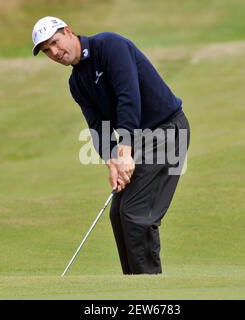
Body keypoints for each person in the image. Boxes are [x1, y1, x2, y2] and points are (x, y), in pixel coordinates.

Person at [31, 16, 190, 274]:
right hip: (140, 140)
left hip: (166, 131)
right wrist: (112, 162)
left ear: (68, 32)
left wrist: (125, 151)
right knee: (118, 214)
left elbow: (129, 98)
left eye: (55, 43)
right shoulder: (76, 83)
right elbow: (97, 127)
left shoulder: (109, 46)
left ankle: (148, 291)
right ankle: (133, 287)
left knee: (135, 213)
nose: (55, 53)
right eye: (47, 51)